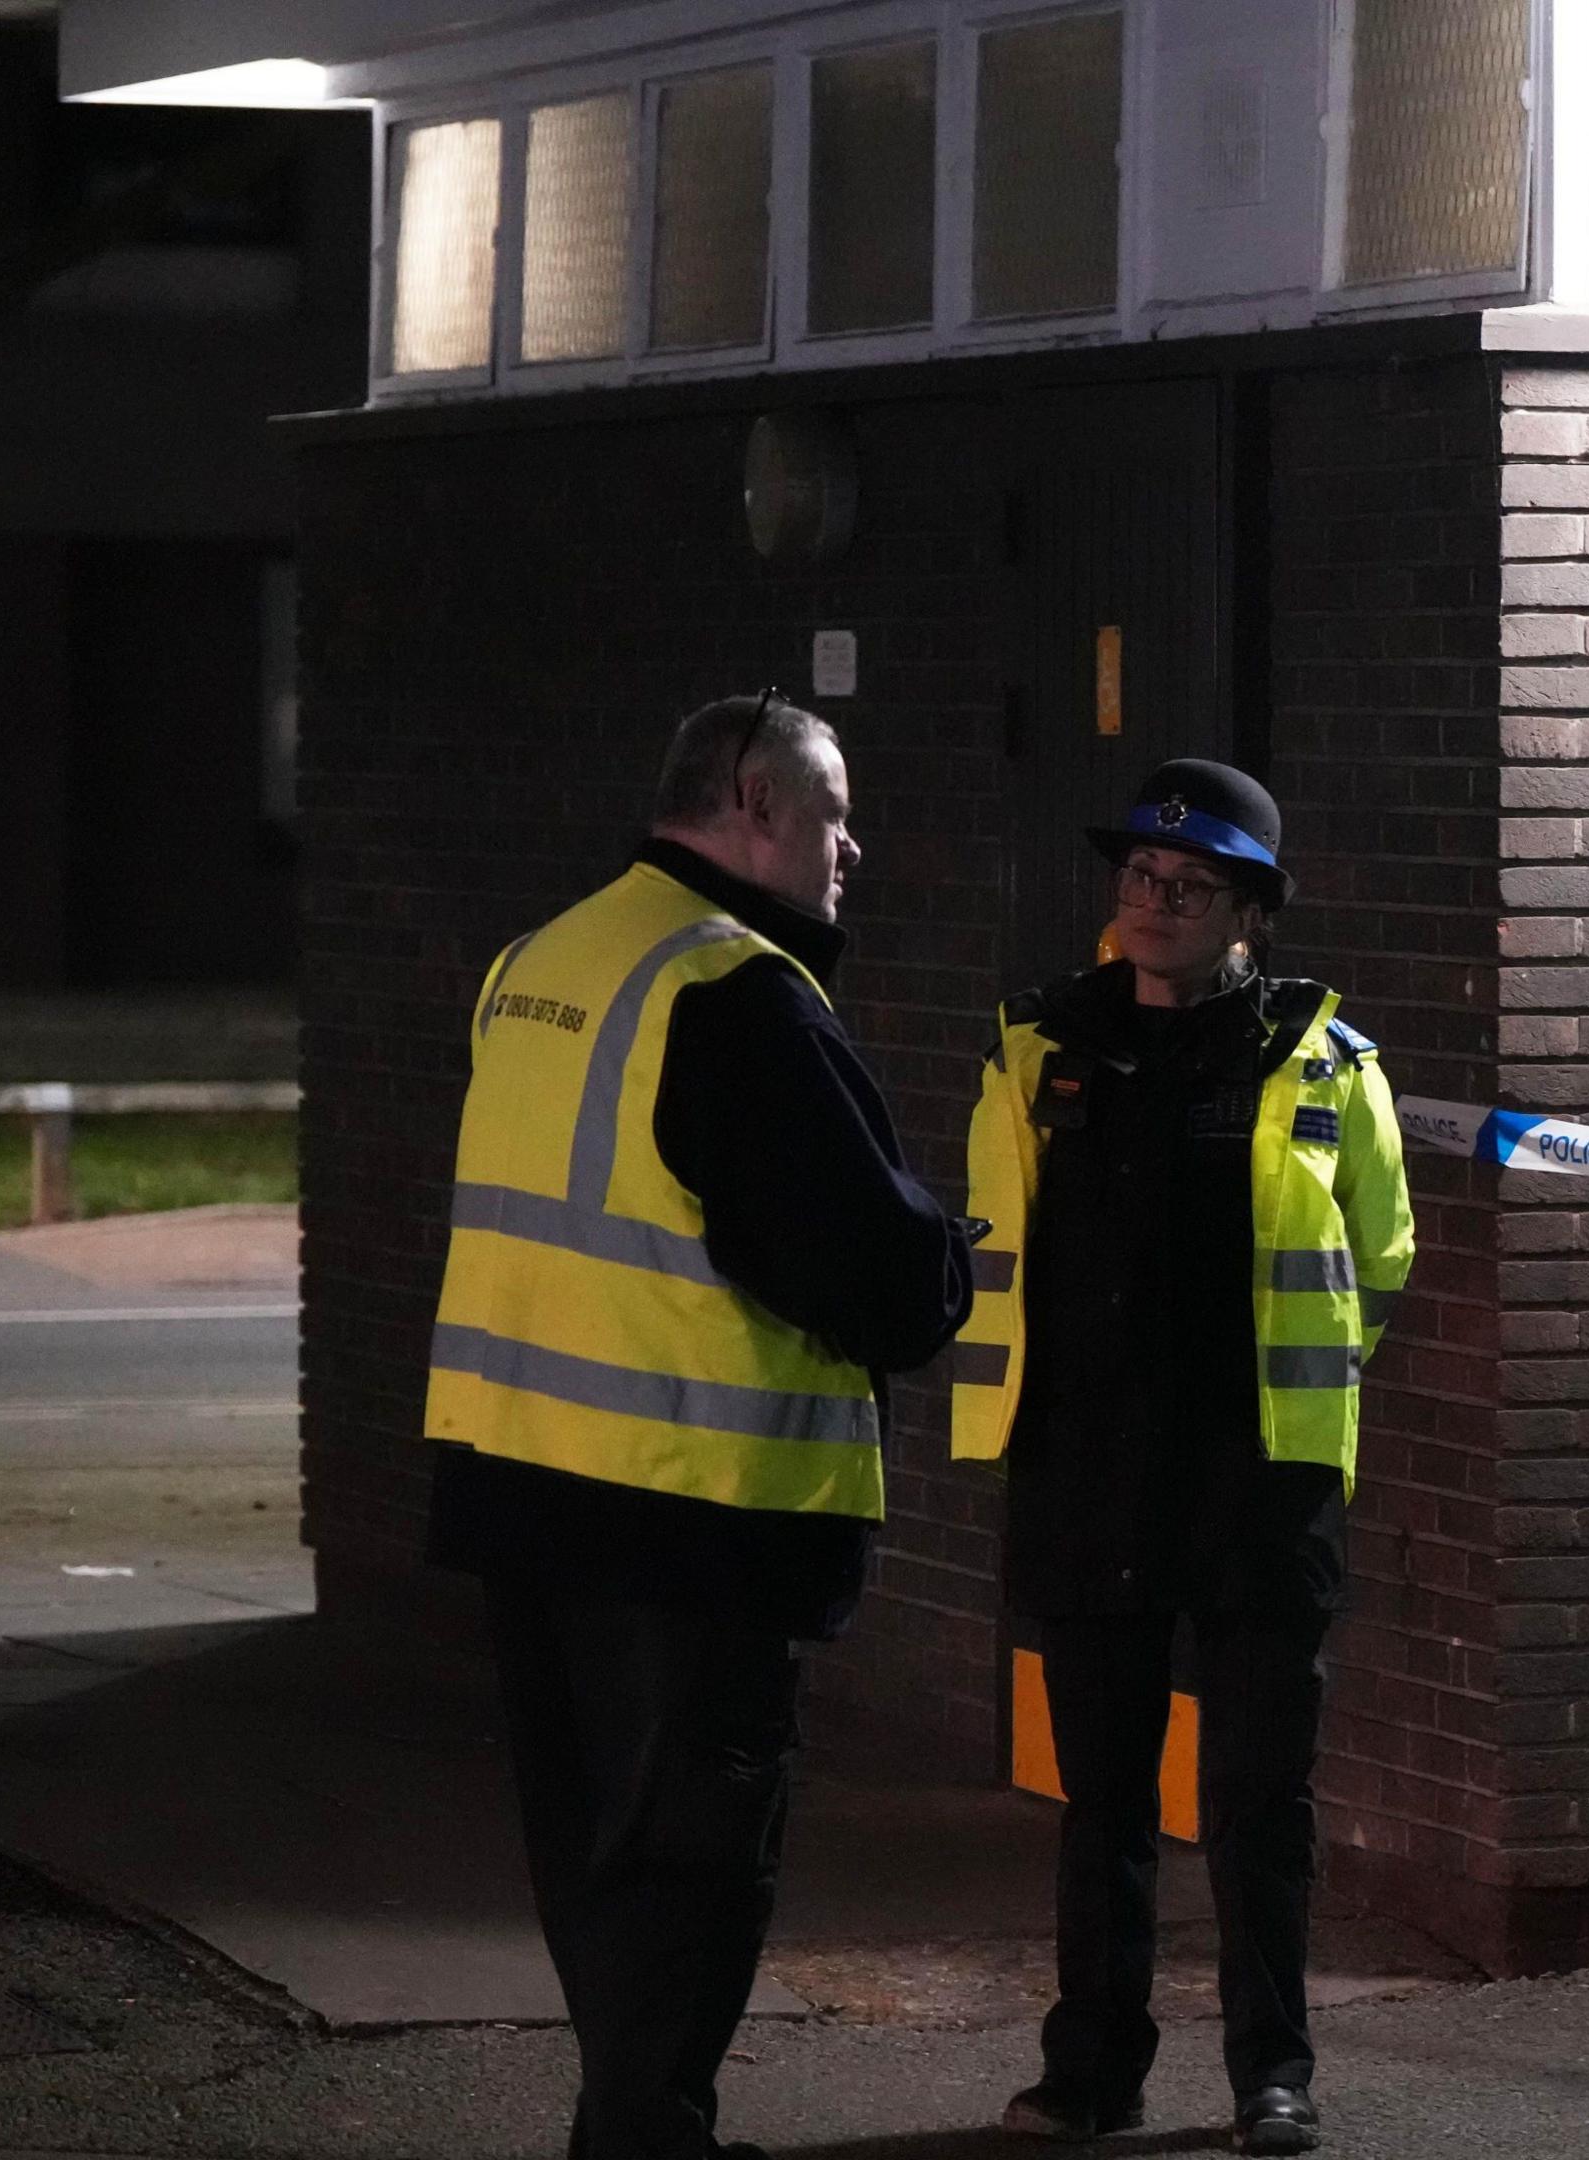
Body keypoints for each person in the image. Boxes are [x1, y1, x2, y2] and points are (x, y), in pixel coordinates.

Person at [424, 691, 974, 2160]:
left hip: (523, 1493)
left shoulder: (539, 963)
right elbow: (879, 1277)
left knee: (596, 1866)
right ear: (751, 802)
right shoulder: (733, 995)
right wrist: (942, 1245)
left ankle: (637, 2128)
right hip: (686, 1515)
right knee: (688, 1875)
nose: (853, 845)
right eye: (832, 811)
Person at [950, 758, 1414, 2156]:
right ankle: (1092, 2070)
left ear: (1249, 911)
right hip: (1089, 1473)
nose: (1152, 902)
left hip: (1257, 1484)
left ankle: (1274, 2074)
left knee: (1259, 1801)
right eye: (1138, 878)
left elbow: (1379, 1253)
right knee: (1102, 1804)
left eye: (1188, 885)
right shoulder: (1038, 1048)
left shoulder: (1324, 1061)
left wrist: (1291, 1402)